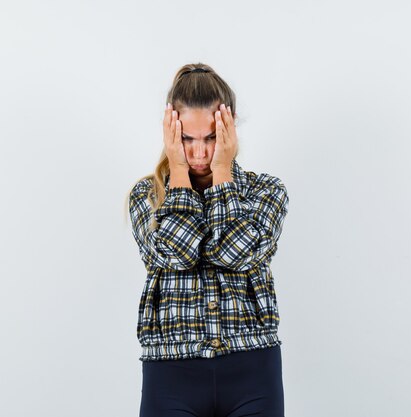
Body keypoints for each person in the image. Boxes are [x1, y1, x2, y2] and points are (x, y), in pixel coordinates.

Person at [126, 63, 290, 417]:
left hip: (253, 368)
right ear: (171, 134)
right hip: (171, 371)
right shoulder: (147, 196)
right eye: (187, 139)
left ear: (229, 132)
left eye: (211, 137)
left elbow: (237, 254)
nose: (200, 153)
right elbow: (176, 253)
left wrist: (222, 173)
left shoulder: (266, 192)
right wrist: (179, 173)